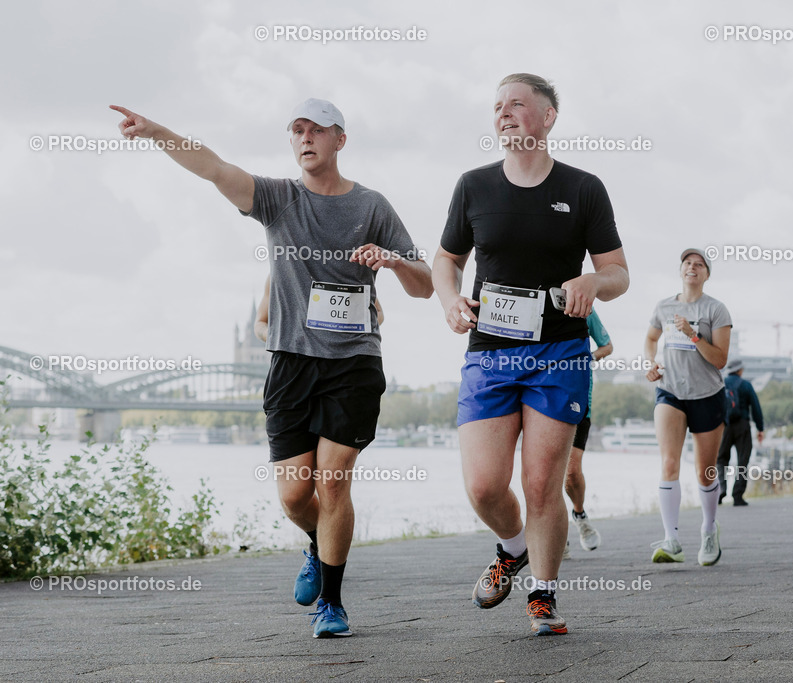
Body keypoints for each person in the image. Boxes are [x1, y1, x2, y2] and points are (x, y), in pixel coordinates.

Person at [111, 99, 433, 638]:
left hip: (354, 364)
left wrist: (394, 261)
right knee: (294, 497)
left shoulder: (373, 206)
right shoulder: (279, 199)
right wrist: (154, 131)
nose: (305, 138)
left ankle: (331, 604)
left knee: (334, 484)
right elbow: (214, 167)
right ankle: (316, 543)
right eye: (297, 130)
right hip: (291, 366)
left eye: (317, 130)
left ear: (340, 139)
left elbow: (424, 286)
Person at [433, 74, 628, 636]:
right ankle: (512, 548)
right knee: (484, 487)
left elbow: (618, 272)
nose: (503, 112)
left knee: (542, 484)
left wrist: (593, 281)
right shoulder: (473, 186)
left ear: (548, 116)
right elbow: (446, 260)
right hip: (490, 353)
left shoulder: (584, 188)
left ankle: (543, 594)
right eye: (497, 106)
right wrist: (450, 300)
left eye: (516, 103)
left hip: (559, 352)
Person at [645, 248, 731, 566]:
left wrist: (693, 335)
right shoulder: (664, 306)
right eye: (687, 263)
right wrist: (651, 362)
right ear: (681, 270)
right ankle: (672, 540)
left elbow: (720, 359)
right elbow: (651, 339)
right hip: (670, 391)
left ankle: (709, 529)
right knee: (669, 463)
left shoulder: (716, 309)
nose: (692, 267)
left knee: (704, 472)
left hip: (707, 393)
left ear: (707, 274)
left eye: (699, 264)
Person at [564, 309, 613, 556]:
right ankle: (554, 533)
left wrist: (587, 358)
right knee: (544, 473)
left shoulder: (586, 309)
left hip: (579, 399)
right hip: (543, 396)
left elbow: (607, 346)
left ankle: (579, 514)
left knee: (571, 472)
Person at [254, 274, 384, 342]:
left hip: (348, 361)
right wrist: (275, 336)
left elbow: (378, 312)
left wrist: (347, 333)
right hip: (294, 362)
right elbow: (260, 322)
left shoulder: (345, 268)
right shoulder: (281, 271)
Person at [715, 359, 764, 507]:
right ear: (740, 370)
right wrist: (760, 428)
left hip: (725, 425)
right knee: (742, 461)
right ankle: (737, 495)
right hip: (743, 426)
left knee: (721, 459)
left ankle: (721, 489)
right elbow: (756, 407)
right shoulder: (746, 385)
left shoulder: (721, 383)